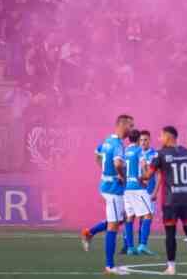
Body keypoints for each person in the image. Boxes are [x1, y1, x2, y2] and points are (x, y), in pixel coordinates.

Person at [142, 126, 187, 275]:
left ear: (168, 137)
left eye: (161, 136)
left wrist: (142, 171)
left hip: (171, 201)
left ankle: (171, 267)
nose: (159, 139)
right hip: (186, 200)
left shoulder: (160, 154)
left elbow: (148, 176)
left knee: (170, 233)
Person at [81, 114, 134, 275]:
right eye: (130, 126)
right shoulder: (117, 144)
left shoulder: (107, 141)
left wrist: (105, 171)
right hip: (113, 189)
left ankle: (89, 233)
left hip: (108, 186)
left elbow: (97, 154)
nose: (132, 129)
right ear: (122, 125)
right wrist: (122, 177)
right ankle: (109, 266)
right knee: (113, 225)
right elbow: (118, 163)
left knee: (120, 219)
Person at [123, 129, 155, 256]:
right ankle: (142, 245)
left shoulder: (125, 151)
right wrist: (146, 177)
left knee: (130, 217)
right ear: (137, 140)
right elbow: (143, 166)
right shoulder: (139, 151)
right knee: (148, 215)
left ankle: (130, 247)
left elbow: (121, 167)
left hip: (127, 188)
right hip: (138, 187)